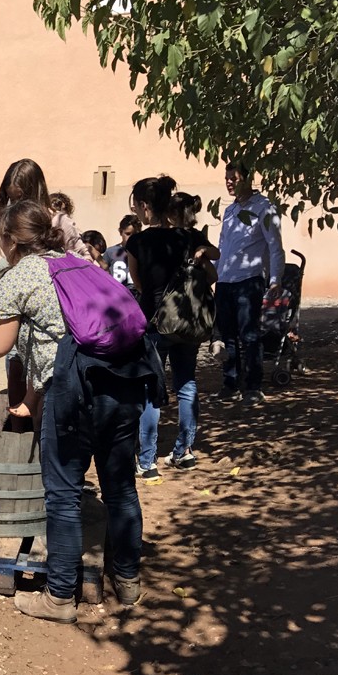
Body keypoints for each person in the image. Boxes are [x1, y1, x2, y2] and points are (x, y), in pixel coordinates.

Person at [0, 201, 157, 623]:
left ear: (10, 239)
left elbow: (0, 345)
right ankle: (127, 583)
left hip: (74, 389)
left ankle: (59, 598)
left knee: (63, 495)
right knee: (121, 488)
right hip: (123, 383)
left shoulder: (21, 275)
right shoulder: (81, 262)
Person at [125, 175, 218, 477]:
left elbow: (138, 283)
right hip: (188, 321)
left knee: (152, 388)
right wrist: (201, 253)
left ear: (145, 207)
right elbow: (214, 255)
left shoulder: (138, 241)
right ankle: (185, 451)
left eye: (137, 207)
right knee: (187, 383)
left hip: (155, 322)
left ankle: (148, 460)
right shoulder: (186, 236)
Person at [215, 161, 286, 406]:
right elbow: (223, 247)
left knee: (249, 334)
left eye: (234, 178)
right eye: (227, 178)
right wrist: (216, 274)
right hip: (225, 280)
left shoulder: (264, 207)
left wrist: (275, 278)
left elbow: (275, 246)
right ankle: (230, 383)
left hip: (249, 279)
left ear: (247, 179)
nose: (229, 182)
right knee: (228, 335)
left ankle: (253, 387)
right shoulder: (229, 211)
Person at [0, 159, 89, 259]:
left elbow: (84, 257)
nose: (17, 205)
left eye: (22, 198)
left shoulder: (58, 221)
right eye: (12, 199)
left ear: (36, 192)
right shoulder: (11, 222)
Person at [104, 215, 141, 291]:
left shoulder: (143, 252)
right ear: (121, 232)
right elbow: (103, 274)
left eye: (135, 234)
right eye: (128, 234)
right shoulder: (110, 252)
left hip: (138, 294)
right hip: (118, 294)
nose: (131, 238)